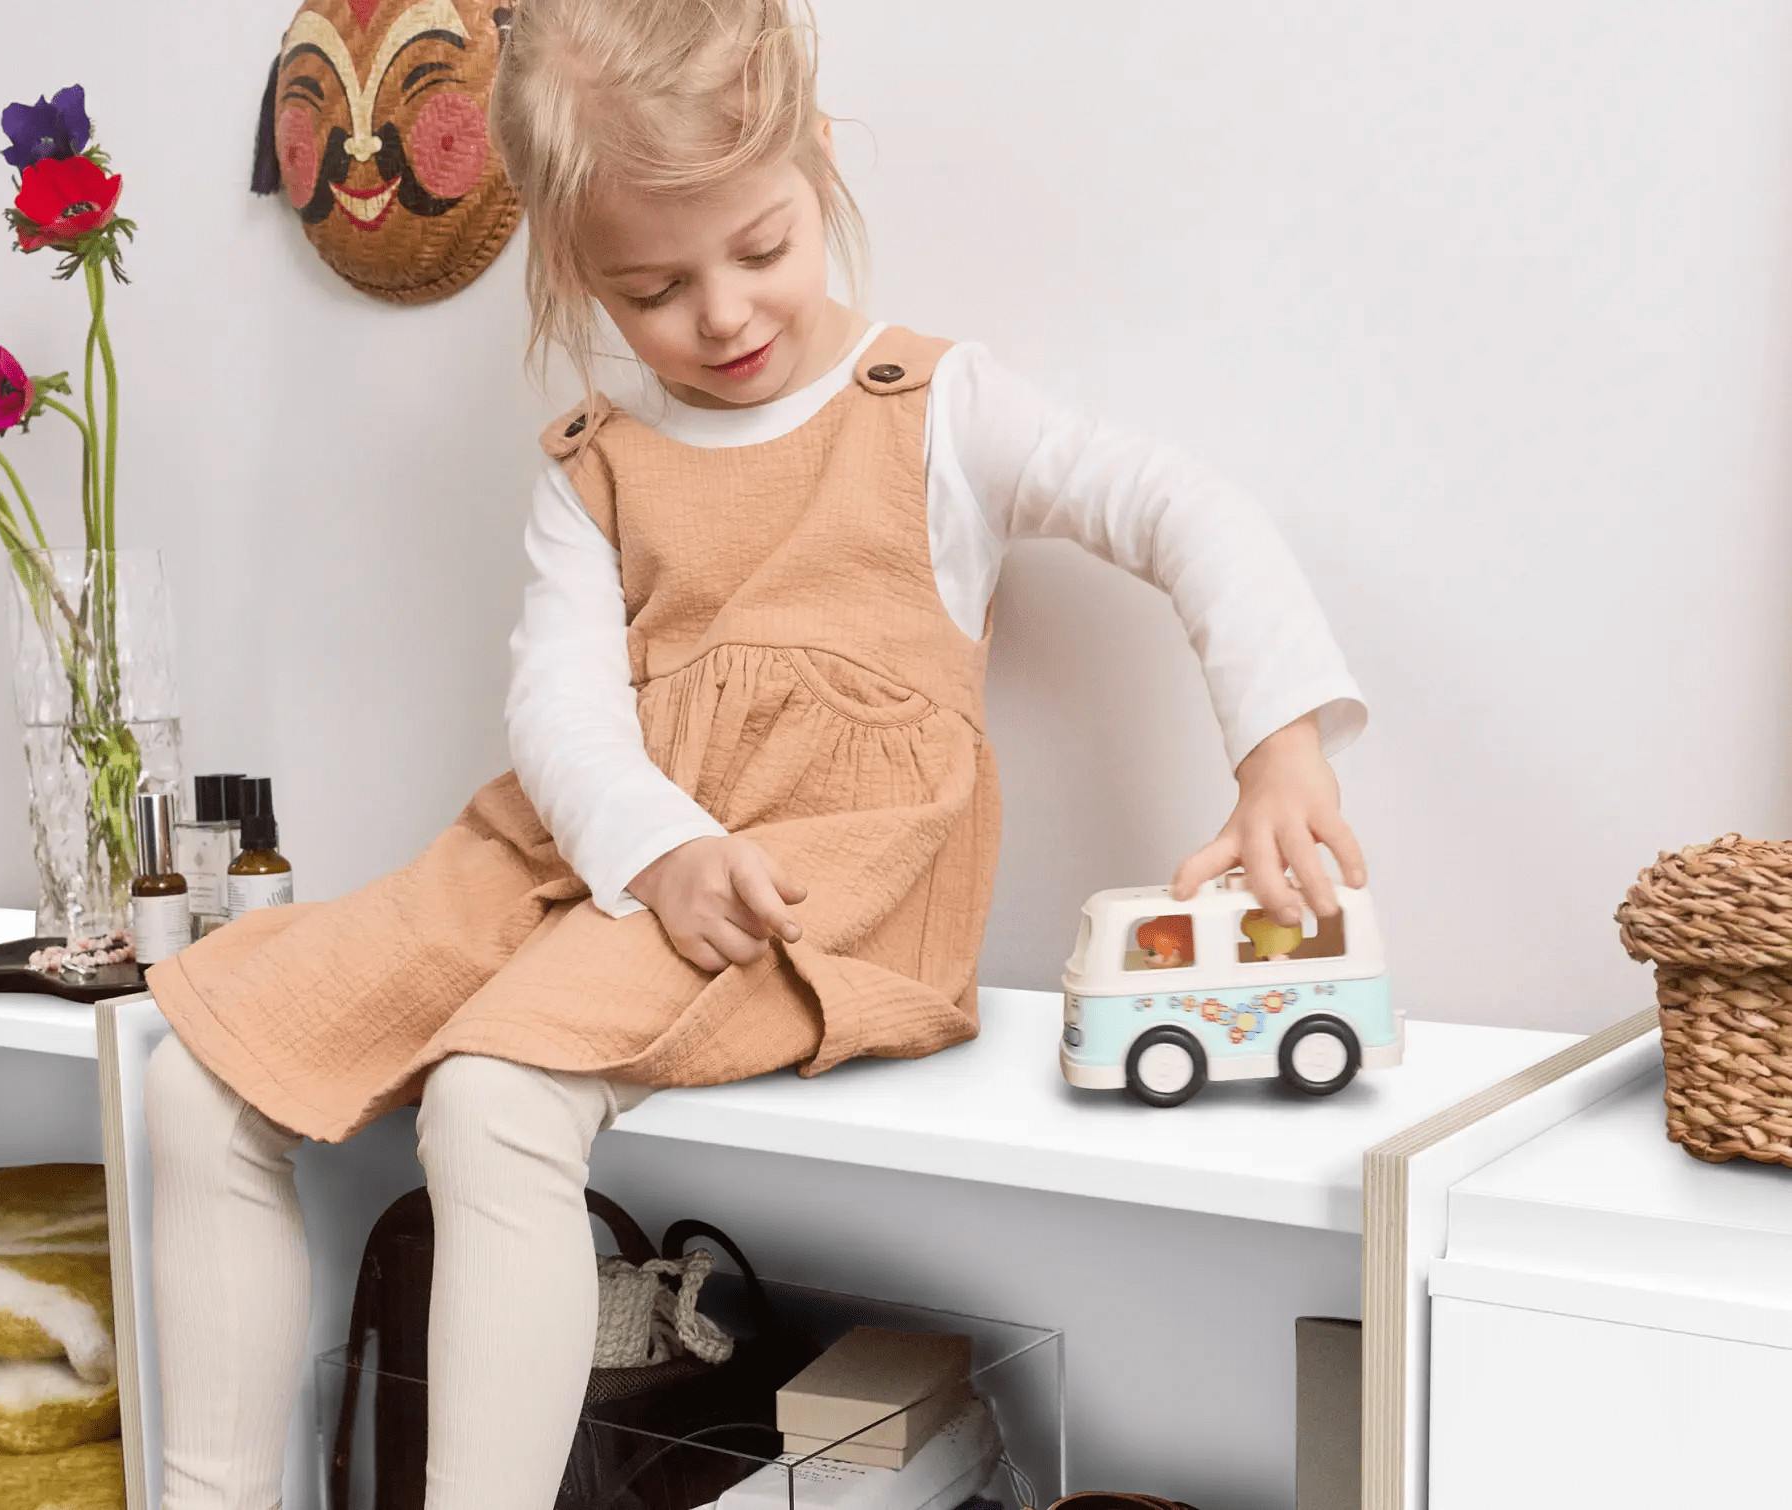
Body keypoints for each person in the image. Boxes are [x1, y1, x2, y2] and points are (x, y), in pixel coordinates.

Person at [142, 1, 1369, 1505]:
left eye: (762, 248)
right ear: (575, 271)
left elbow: (1183, 509)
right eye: (653, 288)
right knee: (197, 1069)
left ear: (819, 168)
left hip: (813, 879)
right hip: (591, 847)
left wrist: (1278, 746)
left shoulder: (933, 410)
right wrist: (655, 844)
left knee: (489, 1101)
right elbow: (564, 710)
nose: (722, 316)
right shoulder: (595, 461)